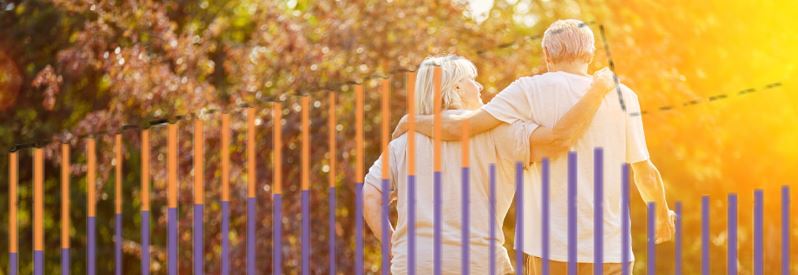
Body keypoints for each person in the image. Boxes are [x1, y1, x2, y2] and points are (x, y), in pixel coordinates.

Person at [393, 20, 675, 275]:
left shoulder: (527, 90)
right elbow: (645, 171)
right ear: (589, 55)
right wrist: (661, 214)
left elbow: (460, 129)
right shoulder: (623, 95)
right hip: (610, 249)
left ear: (547, 56)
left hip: (549, 248)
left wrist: (411, 121)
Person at [363, 54, 615, 274]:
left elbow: (370, 196)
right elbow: (557, 140)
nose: (479, 86)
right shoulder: (499, 132)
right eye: (472, 80)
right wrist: (596, 92)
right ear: (457, 88)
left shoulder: (402, 141)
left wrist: (394, 244)